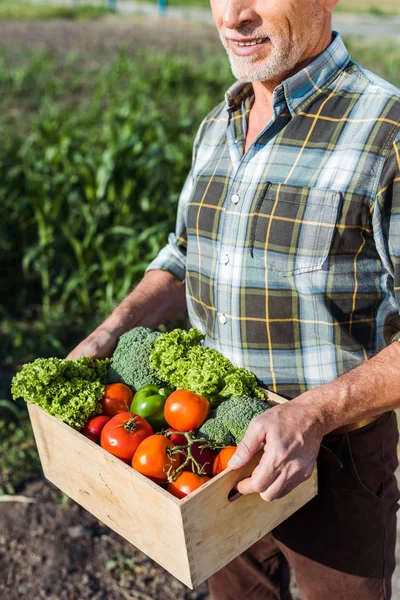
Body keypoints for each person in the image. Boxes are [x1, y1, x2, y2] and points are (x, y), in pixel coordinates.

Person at [68, 0, 400, 598]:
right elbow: (183, 253)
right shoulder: (220, 120)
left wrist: (314, 414)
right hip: (210, 445)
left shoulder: (387, 131)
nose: (234, 16)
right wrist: (110, 332)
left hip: (335, 456)